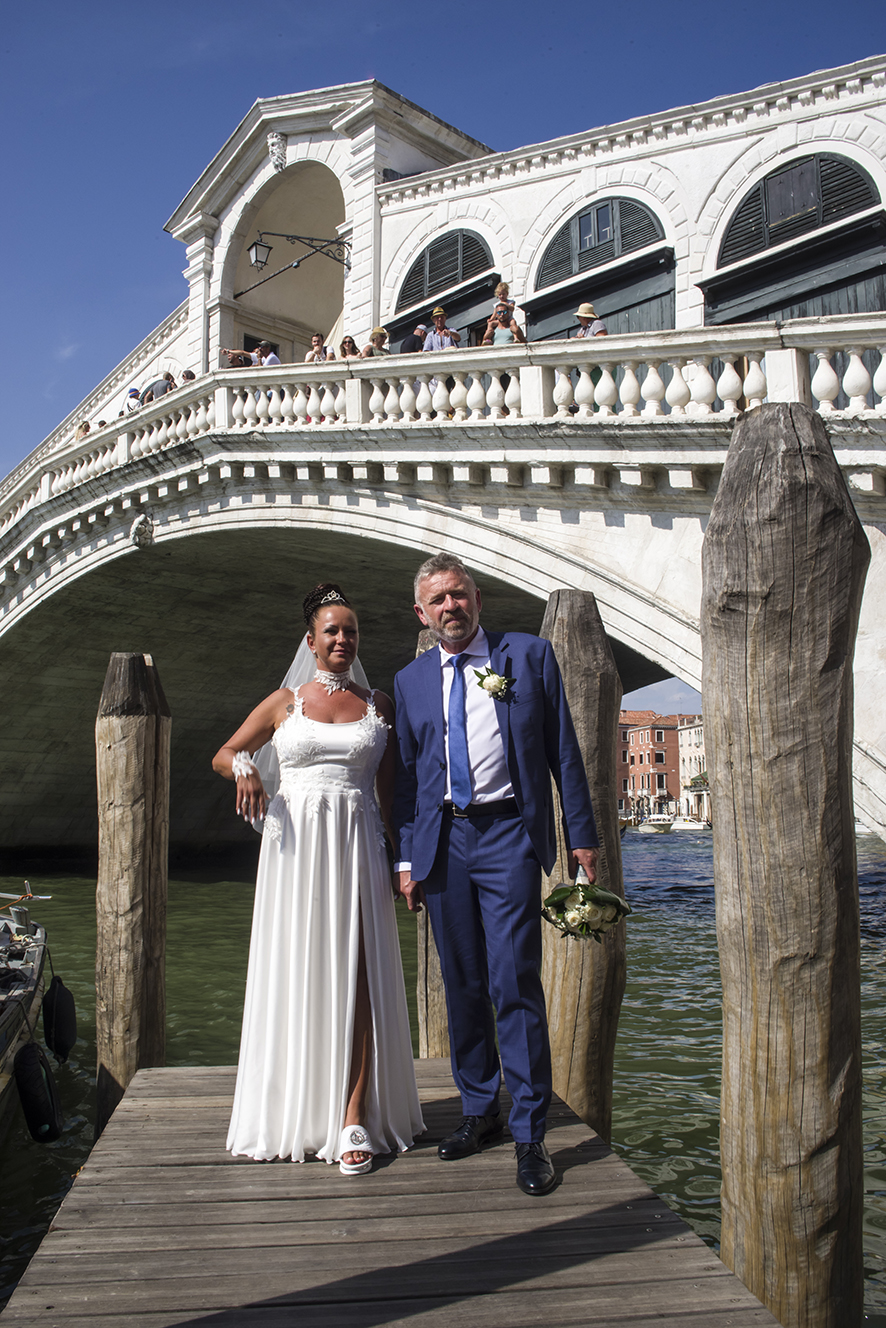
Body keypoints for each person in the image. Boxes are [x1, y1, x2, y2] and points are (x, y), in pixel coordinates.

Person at [393, 554, 599, 1197]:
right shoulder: (410, 681)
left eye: (459, 595)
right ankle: (479, 1110)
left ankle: (530, 1131)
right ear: (422, 614)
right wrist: (406, 858)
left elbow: (564, 752)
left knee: (514, 979)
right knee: (462, 983)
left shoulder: (528, 656)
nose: (450, 607)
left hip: (509, 831)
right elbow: (406, 780)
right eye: (438, 601)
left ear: (476, 598)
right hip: (445, 841)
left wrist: (584, 841)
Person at [214, 584, 424, 1174]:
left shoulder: (378, 703)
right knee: (297, 970)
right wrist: (248, 766)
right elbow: (225, 752)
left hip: (357, 844)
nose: (341, 639)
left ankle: (354, 1113)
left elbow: (391, 797)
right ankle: (293, 1108)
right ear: (311, 642)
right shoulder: (284, 703)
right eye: (331, 631)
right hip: (294, 849)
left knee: (358, 975)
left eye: (350, 631)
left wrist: (401, 860)